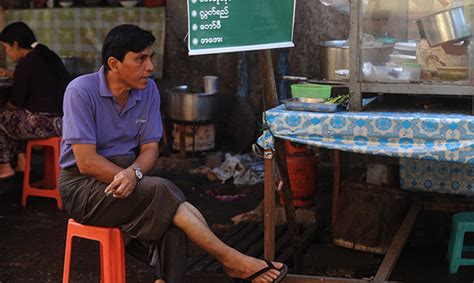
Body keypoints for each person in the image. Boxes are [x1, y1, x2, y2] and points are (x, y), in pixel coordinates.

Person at [58, 24, 288, 283]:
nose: (150, 67)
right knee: (162, 192)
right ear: (114, 64)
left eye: (151, 58)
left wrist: (133, 174)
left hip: (125, 175)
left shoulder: (148, 91)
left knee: (173, 222)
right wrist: (131, 177)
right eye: (140, 59)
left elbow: (150, 149)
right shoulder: (80, 91)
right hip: (82, 187)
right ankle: (231, 259)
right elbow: (86, 162)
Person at [0, 22, 71, 179]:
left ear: (16, 45)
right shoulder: (46, 56)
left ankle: (5, 166)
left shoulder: (26, 63)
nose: (7, 52)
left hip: (43, 123)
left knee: (3, 118)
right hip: (64, 121)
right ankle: (22, 161)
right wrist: (11, 74)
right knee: (16, 118)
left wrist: (5, 106)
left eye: (6, 48)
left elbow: (16, 102)